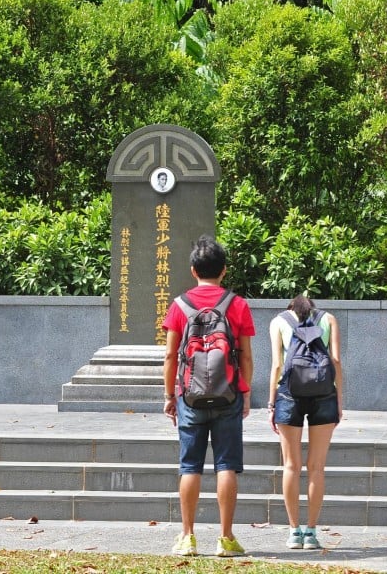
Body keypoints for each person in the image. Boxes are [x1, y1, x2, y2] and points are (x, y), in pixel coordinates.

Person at [162, 235, 254, 557]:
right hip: (228, 396)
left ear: (192, 270)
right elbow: (245, 357)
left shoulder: (180, 305)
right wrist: (244, 392)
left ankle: (187, 538)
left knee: (190, 467)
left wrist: (169, 395)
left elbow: (171, 356)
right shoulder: (237, 304)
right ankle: (226, 539)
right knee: (226, 465)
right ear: (224, 270)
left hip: (190, 397)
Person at [268, 294, 343, 550]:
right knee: (317, 467)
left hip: (289, 394)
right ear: (313, 308)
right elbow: (335, 361)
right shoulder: (329, 319)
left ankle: (293, 531)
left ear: (291, 307)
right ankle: (311, 532)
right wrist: (339, 400)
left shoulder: (278, 321)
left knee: (291, 466)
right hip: (324, 394)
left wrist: (271, 403)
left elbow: (277, 364)